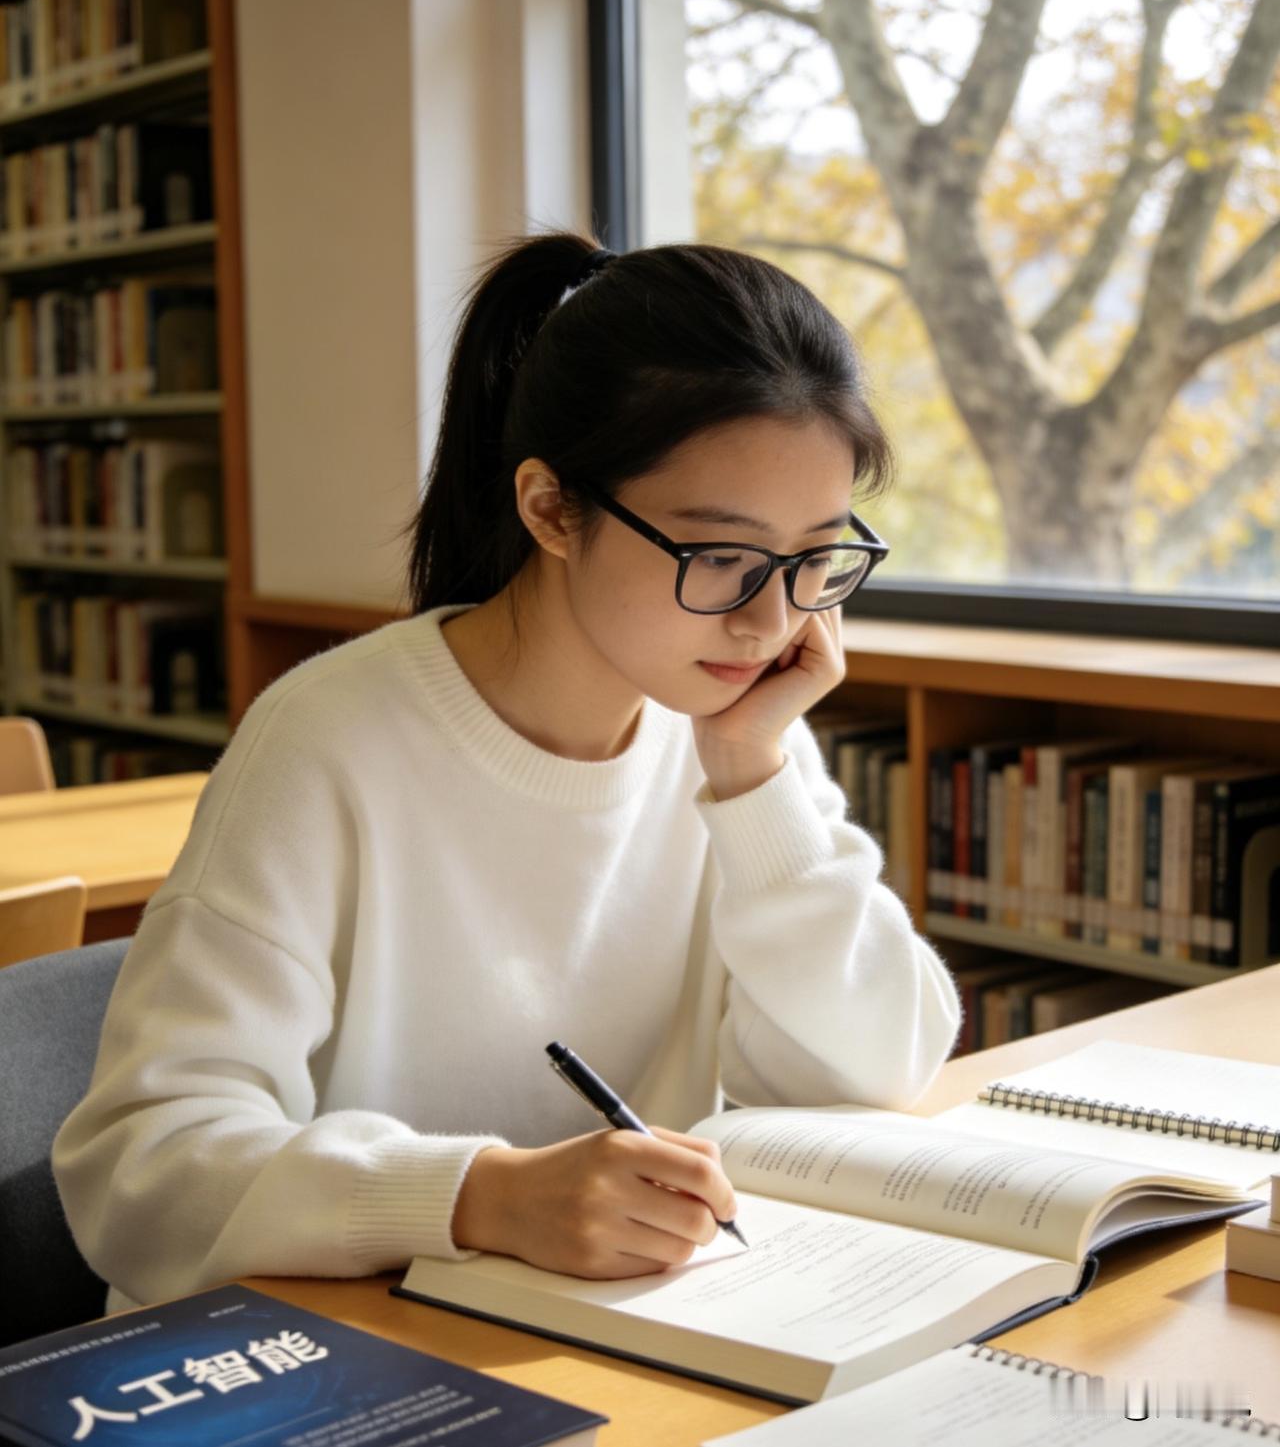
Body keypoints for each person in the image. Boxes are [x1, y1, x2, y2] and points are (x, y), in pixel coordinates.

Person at [53, 233, 961, 1312]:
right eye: (719, 556)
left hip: (607, 1337)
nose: (773, 620)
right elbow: (142, 1168)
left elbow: (881, 1068)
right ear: (548, 508)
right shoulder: (329, 739)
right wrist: (479, 1195)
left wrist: (753, 779)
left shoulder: (727, 725)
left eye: (815, 558)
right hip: (342, 1354)